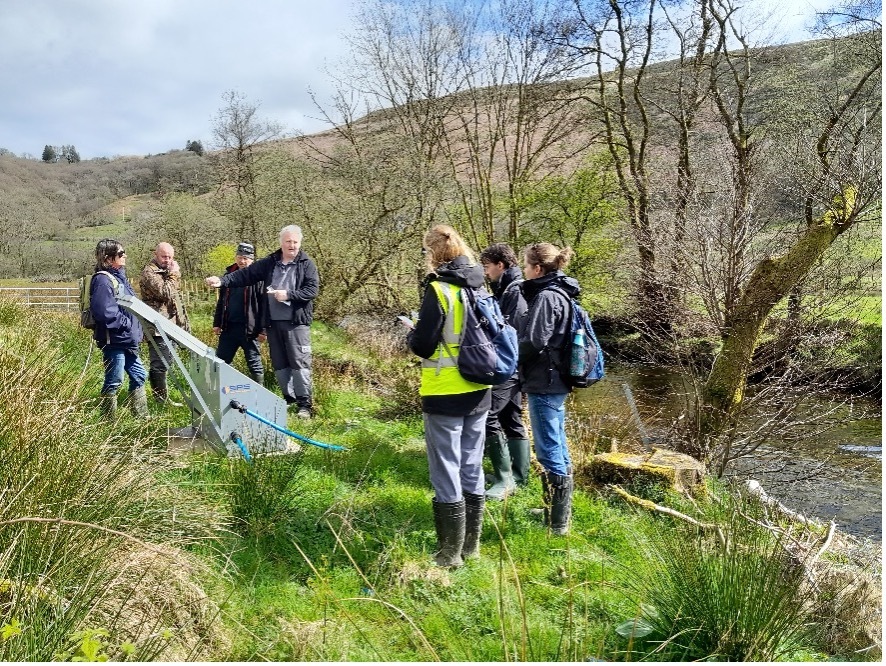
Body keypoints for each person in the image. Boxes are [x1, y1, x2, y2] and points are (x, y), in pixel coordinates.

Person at [405, 224, 491, 568]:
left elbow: (424, 344)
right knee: (471, 464)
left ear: (433, 254)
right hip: (480, 386)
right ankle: (471, 547)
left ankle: (448, 555)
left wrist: (412, 333)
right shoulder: (481, 286)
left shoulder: (439, 290)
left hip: (445, 389)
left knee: (445, 468)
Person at [205, 225, 319, 419]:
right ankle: (289, 400)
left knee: (299, 362)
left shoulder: (307, 264)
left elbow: (312, 290)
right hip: (273, 323)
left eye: (295, 242)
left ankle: (304, 405)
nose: (292, 245)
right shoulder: (270, 263)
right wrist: (222, 281)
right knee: (280, 363)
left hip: (296, 323)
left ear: (300, 243)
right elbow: (245, 275)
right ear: (281, 243)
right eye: (288, 241)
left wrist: (289, 295)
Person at [518, 242, 579, 536]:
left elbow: (534, 341)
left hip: (546, 381)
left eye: (525, 266)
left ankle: (557, 525)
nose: (524, 271)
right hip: (556, 380)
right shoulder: (562, 293)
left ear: (537, 269)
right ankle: (553, 510)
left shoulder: (546, 297)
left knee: (549, 449)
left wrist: (509, 359)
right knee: (558, 446)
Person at [479, 243, 530, 500]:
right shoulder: (507, 288)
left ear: (501, 264)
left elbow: (511, 333)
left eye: (487, 267)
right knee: (511, 417)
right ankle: (518, 476)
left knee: (488, 415)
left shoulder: (515, 290)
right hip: (514, 365)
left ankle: (505, 479)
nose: (485, 272)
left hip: (511, 366)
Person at [89, 239, 148, 419]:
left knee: (139, 375)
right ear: (108, 258)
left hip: (126, 339)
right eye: (121, 254)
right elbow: (104, 312)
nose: (125, 256)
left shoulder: (119, 277)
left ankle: (140, 416)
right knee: (115, 380)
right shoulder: (102, 280)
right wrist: (127, 324)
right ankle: (109, 421)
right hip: (114, 340)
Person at [139, 242, 189, 406]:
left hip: (171, 325)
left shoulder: (166, 272)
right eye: (164, 256)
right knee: (159, 363)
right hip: (157, 326)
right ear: (156, 254)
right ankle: (160, 401)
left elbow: (175, 297)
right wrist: (174, 274)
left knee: (167, 361)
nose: (167, 260)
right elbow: (166, 293)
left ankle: (163, 398)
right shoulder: (149, 272)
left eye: (170, 257)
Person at [212, 242, 266, 385]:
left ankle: (259, 395)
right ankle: (229, 390)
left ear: (252, 260)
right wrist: (217, 323)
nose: (242, 261)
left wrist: (264, 330)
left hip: (250, 330)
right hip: (229, 327)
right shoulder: (229, 275)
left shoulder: (259, 278)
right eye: (240, 257)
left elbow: (266, 305)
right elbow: (221, 301)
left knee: (254, 364)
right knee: (222, 361)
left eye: (245, 258)